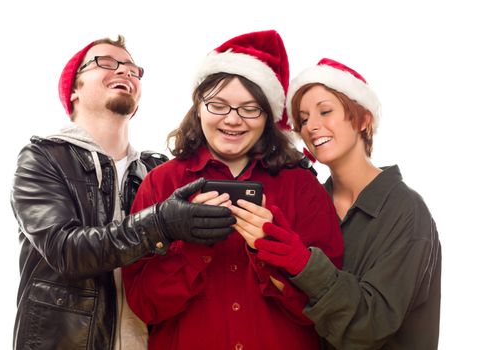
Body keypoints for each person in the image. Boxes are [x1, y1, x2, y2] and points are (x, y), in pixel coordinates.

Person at [10, 35, 236, 350]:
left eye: (132, 69)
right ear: (74, 89)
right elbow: (65, 249)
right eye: (106, 62)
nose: (124, 72)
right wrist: (162, 224)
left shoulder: (157, 170)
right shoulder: (43, 157)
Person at [122, 30, 344, 350]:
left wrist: (272, 251)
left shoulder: (302, 187)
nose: (233, 120)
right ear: (198, 108)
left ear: (267, 117)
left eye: (250, 108)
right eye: (218, 105)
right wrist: (195, 249)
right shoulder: (161, 184)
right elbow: (145, 305)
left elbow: (325, 311)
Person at [254, 58, 441, 349]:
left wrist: (305, 265)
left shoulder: (406, 211)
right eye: (303, 120)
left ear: (364, 120)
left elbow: (370, 325)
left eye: (325, 111)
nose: (312, 126)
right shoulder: (312, 202)